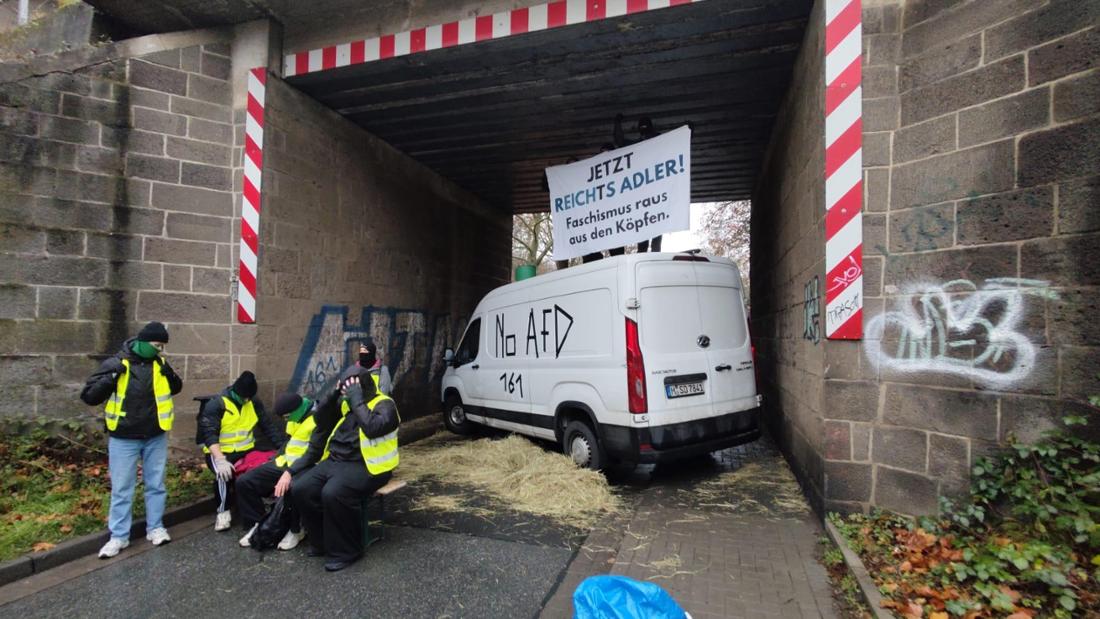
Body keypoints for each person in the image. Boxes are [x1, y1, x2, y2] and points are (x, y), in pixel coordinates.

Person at [80, 321, 182, 559]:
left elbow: (175, 388)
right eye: (157, 345)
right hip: (124, 437)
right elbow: (89, 396)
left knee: (156, 485)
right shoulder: (116, 363)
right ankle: (119, 536)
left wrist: (170, 375)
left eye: (163, 346)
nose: (160, 350)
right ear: (143, 343)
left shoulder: (160, 364)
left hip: (155, 434)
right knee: (122, 488)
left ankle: (155, 528)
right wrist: (110, 378)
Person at [287, 365, 400, 571]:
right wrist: (334, 395)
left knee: (334, 493)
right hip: (337, 460)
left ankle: (347, 551)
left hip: (370, 466)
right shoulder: (347, 404)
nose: (348, 394)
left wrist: (356, 398)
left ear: (362, 387)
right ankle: (321, 542)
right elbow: (320, 420)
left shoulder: (385, 404)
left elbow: (372, 428)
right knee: (302, 488)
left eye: (352, 388)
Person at [197, 371, 284, 532]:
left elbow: (267, 426)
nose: (246, 401)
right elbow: (209, 435)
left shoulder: (253, 402)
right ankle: (223, 511)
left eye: (249, 398)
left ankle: (256, 509)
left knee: (259, 472)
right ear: (235, 392)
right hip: (219, 452)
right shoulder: (216, 405)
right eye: (244, 397)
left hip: (246, 450)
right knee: (223, 475)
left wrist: (282, 447)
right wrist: (220, 459)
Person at [235, 392, 316, 550]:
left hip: (307, 467)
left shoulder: (317, 420)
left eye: (287, 416)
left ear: (296, 411)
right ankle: (259, 525)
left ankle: (296, 530)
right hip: (285, 463)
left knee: (293, 489)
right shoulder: (295, 418)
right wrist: (276, 458)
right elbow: (289, 443)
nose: (286, 420)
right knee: (245, 482)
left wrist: (290, 472)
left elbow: (314, 452)